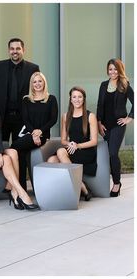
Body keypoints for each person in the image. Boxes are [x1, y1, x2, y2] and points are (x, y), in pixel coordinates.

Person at [47, 86, 98, 201]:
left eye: (80, 97)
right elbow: (63, 140)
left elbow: (94, 141)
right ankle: (80, 187)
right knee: (51, 161)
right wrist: (70, 144)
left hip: (85, 151)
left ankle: (77, 189)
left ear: (84, 99)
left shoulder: (90, 116)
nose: (77, 99)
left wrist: (78, 145)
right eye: (74, 97)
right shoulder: (66, 116)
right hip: (71, 149)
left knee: (60, 151)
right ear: (70, 99)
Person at [0, 38, 40, 143]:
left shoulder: (33, 68)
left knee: (21, 149)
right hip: (0, 117)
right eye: (12, 49)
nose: (14, 51)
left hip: (23, 117)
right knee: (0, 147)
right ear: (8, 50)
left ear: (23, 50)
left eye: (18, 48)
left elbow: (37, 92)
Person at [11, 72, 58, 190]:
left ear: (44, 82)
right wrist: (34, 133)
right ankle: (22, 188)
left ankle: (12, 185)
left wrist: (40, 132)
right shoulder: (26, 100)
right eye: (34, 82)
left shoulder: (51, 99)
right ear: (31, 84)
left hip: (43, 135)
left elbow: (53, 119)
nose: (37, 84)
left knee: (14, 147)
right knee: (21, 153)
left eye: (40, 81)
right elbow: (25, 119)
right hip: (29, 133)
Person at [97, 58, 134, 197]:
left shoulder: (124, 84)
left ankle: (117, 183)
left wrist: (129, 118)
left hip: (118, 125)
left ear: (120, 70)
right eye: (110, 69)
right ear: (108, 70)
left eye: (115, 69)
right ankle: (108, 180)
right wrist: (99, 123)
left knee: (113, 153)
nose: (113, 71)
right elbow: (100, 105)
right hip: (105, 125)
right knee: (108, 155)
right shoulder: (103, 85)